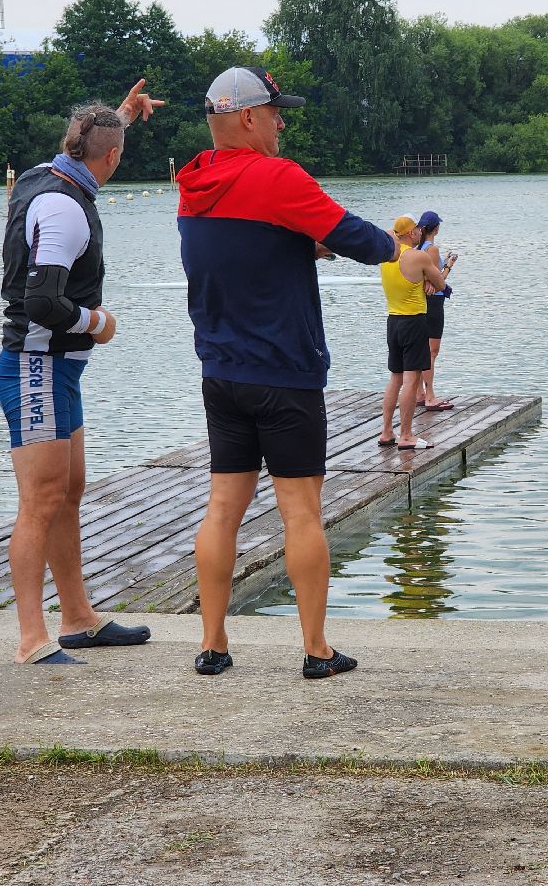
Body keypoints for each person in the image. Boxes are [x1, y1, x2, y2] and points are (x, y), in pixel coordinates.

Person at [177, 66, 397, 679]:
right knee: (301, 511)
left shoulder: (193, 181)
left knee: (223, 506)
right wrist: (405, 254)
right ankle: (316, 649)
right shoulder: (276, 175)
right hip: (285, 375)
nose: (281, 123)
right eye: (275, 112)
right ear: (247, 117)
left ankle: (214, 644)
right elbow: (353, 234)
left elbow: (244, 250)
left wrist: (301, 245)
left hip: (221, 372)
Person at [0, 79, 164, 665]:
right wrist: (98, 322)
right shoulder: (66, 210)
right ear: (109, 158)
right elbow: (43, 303)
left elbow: (90, 140)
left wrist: (122, 115)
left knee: (69, 491)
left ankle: (77, 619)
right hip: (35, 365)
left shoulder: (51, 171)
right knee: (41, 500)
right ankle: (30, 639)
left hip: (57, 371)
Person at [377, 215, 446, 451]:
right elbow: (441, 285)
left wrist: (397, 232)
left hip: (393, 321)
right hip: (414, 321)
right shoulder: (418, 256)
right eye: (415, 229)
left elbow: (389, 232)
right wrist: (427, 277)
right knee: (411, 379)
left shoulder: (385, 257)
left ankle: (387, 431)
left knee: (395, 378)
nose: (419, 232)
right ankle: (406, 435)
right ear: (410, 234)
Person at [414, 210, 458, 411]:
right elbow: (438, 282)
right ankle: (429, 395)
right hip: (434, 304)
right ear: (436, 228)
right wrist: (449, 264)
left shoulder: (418, 247)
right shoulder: (432, 249)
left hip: (423, 303)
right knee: (432, 351)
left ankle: (420, 393)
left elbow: (428, 279)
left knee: (425, 350)